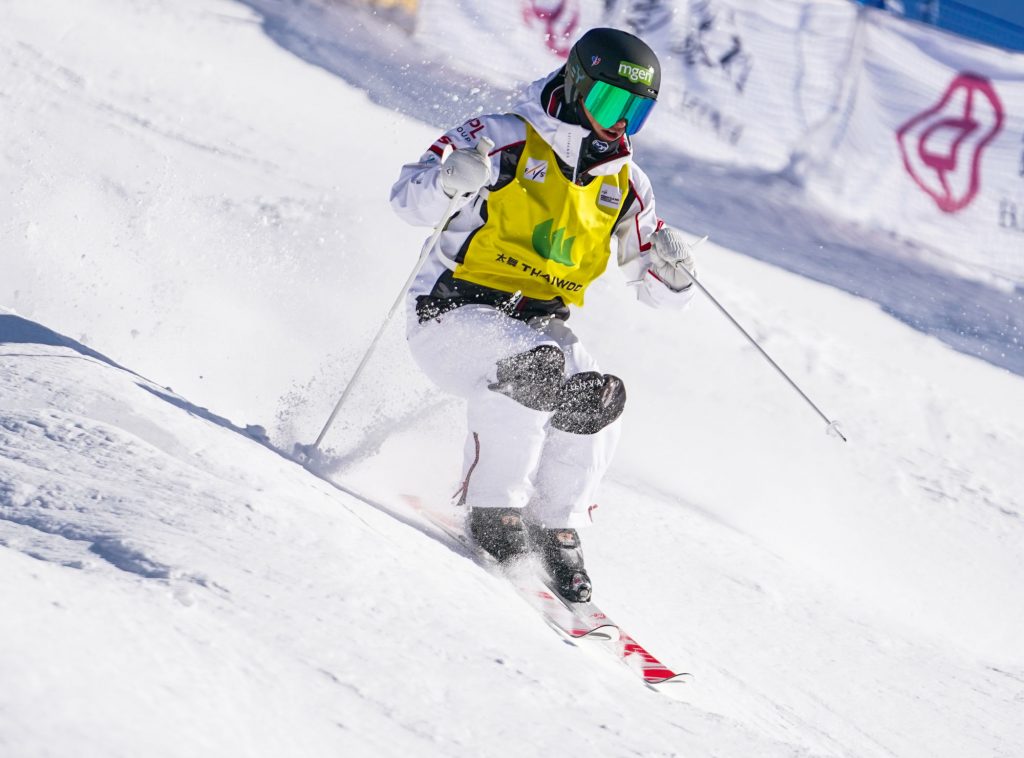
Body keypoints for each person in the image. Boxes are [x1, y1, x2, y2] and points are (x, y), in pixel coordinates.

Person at [390, 27, 697, 603]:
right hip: (451, 313)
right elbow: (407, 199)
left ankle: (556, 525)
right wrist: (450, 180)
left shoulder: (627, 184)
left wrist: (673, 272)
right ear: (576, 82)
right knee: (535, 368)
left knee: (597, 393)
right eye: (611, 102)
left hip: (538, 327)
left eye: (637, 110)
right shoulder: (501, 138)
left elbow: (658, 292)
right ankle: (494, 510)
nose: (620, 123)